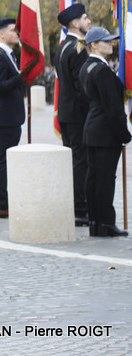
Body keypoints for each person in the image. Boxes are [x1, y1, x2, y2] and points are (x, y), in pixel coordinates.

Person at [79, 27, 130, 237]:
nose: (111, 44)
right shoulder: (101, 71)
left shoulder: (87, 67)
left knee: (94, 178)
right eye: (106, 41)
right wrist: (124, 135)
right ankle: (106, 223)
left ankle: (95, 221)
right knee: (104, 180)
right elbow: (113, 108)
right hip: (105, 133)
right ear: (93, 44)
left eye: (111, 41)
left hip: (93, 130)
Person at [54, 3, 92, 227]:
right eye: (86, 19)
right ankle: (80, 208)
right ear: (76, 23)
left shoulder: (62, 46)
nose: (89, 22)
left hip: (66, 113)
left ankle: (75, 205)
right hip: (79, 114)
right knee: (80, 162)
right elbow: (82, 87)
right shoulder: (78, 48)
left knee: (73, 160)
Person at [0, 17, 25, 219]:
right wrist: (22, 76)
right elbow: (0, 87)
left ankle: (0, 202)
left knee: (2, 159)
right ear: (1, 34)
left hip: (8, 116)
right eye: (12, 30)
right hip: (5, 117)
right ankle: (1, 203)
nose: (17, 33)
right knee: (1, 160)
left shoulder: (7, 54)